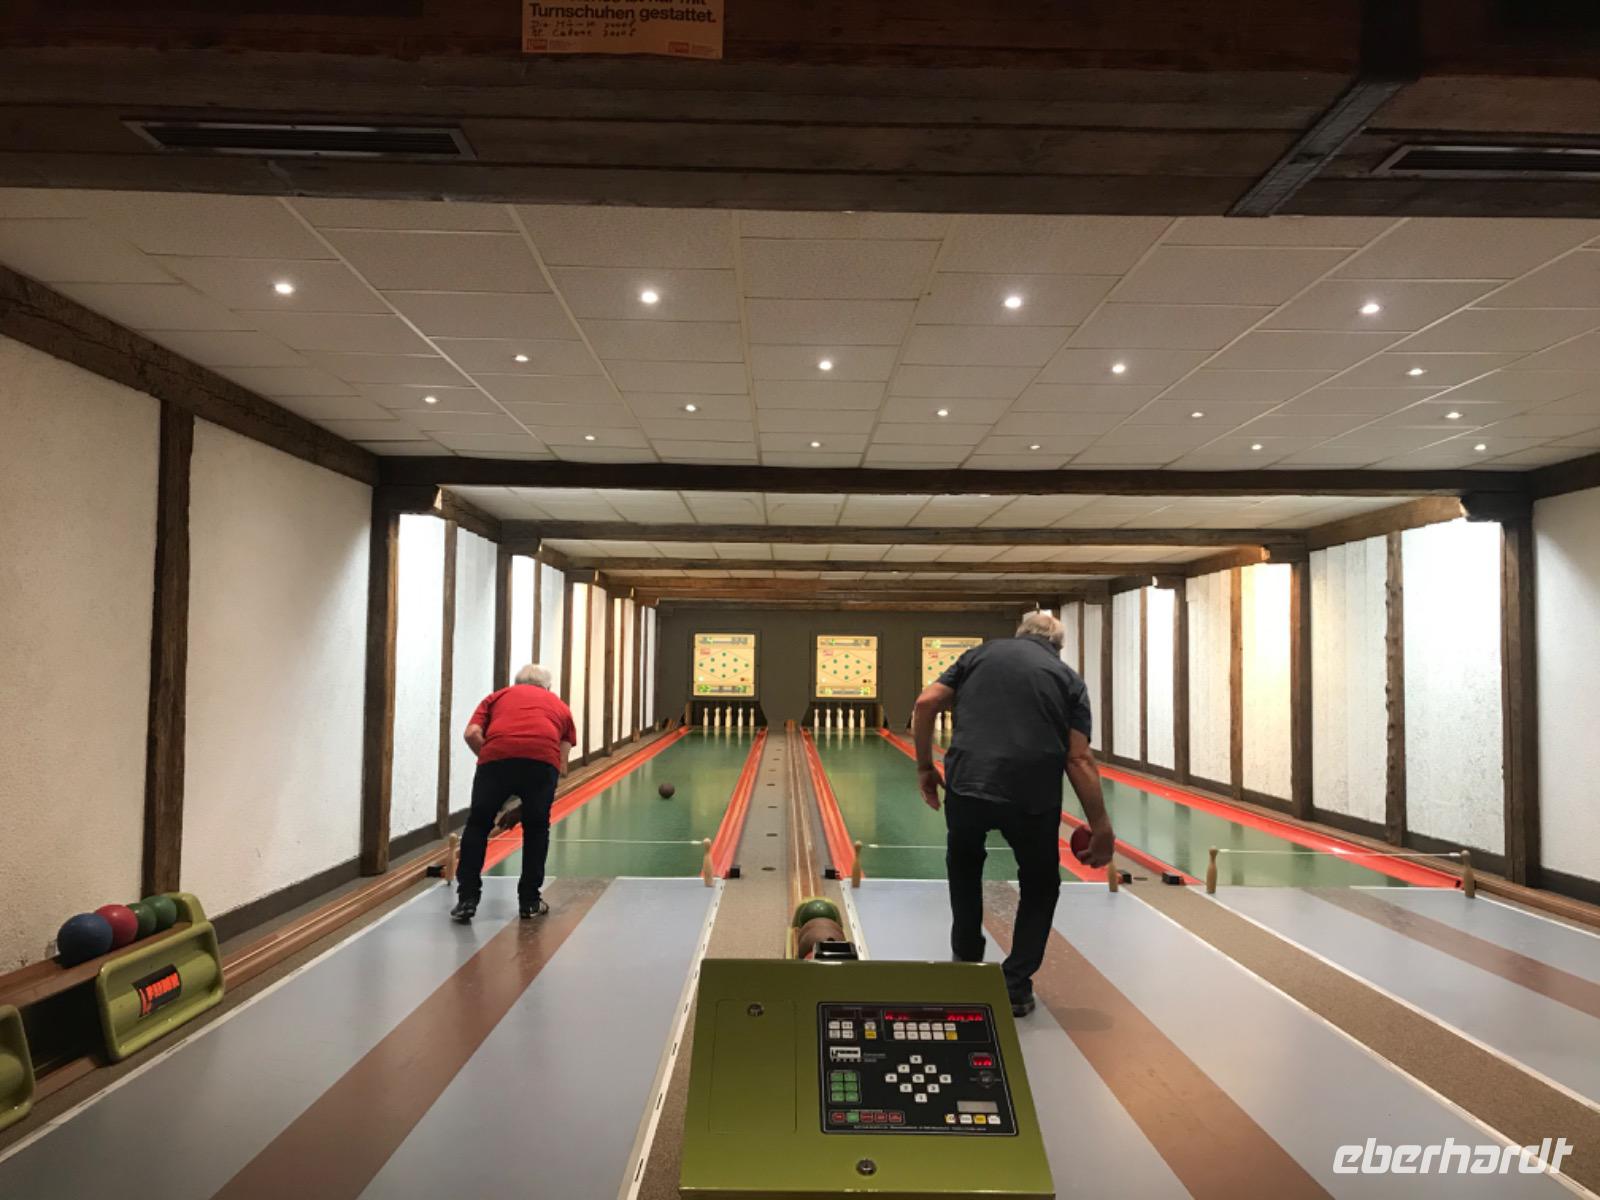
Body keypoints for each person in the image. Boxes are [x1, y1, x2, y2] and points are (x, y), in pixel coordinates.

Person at [911, 611, 1114, 1016]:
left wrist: (924, 767)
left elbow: (926, 702)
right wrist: (1101, 826)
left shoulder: (978, 656)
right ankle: (1015, 986)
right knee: (1040, 884)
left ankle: (967, 963)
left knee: (964, 866)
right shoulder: (1068, 679)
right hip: (1031, 796)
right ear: (1058, 646)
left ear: (1019, 634)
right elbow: (1078, 758)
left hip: (968, 784)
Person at [451, 663, 576, 924]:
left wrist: (491, 757)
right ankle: (529, 902)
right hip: (541, 761)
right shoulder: (560, 707)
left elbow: (471, 733)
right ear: (548, 687)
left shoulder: (496, 697)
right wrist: (526, 809)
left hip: (495, 759)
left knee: (478, 825)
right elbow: (560, 766)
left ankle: (466, 900)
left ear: (516, 683)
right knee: (537, 828)